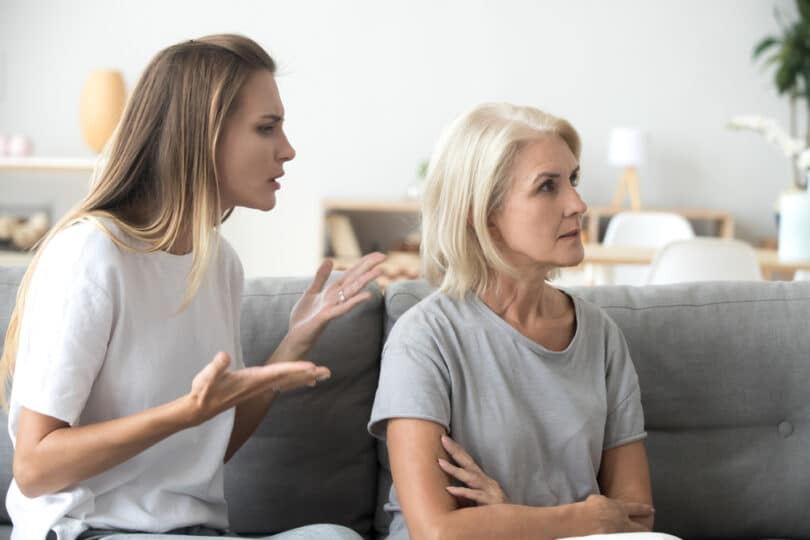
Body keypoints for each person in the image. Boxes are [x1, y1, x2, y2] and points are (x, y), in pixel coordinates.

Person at [0, 34, 383, 540]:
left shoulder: (219, 263)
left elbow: (207, 449)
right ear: (201, 135)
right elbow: (34, 466)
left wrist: (294, 342)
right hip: (86, 531)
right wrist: (184, 412)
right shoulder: (91, 255)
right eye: (267, 129)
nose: (287, 150)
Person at [368, 103, 656, 539]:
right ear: (481, 212)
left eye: (573, 180)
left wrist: (508, 516)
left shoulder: (600, 337)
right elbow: (437, 532)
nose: (577, 204)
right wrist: (582, 518)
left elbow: (636, 520)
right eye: (547, 187)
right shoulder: (424, 340)